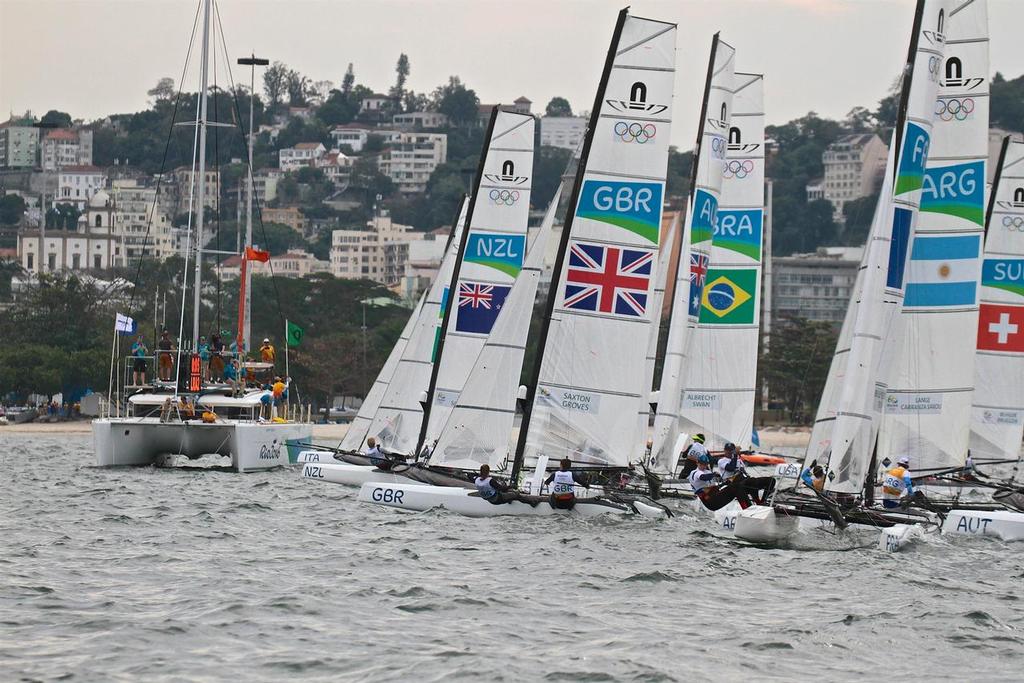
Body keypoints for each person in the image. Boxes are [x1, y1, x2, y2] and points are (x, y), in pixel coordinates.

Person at [689, 453, 754, 510]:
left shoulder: (707, 471)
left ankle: (750, 507)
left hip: (715, 497)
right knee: (736, 487)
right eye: (701, 464)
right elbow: (704, 477)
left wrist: (726, 481)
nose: (703, 466)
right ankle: (746, 510)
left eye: (705, 464)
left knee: (738, 484)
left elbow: (717, 483)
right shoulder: (695, 473)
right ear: (697, 463)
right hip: (710, 502)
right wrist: (714, 474)